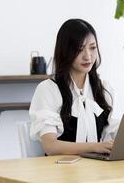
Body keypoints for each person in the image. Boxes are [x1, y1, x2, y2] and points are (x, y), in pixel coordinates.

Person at [29, 18, 117, 156]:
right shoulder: (48, 89)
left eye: (93, 48)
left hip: (97, 171)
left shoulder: (104, 88)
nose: (88, 56)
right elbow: (51, 146)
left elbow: (113, 135)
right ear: (65, 51)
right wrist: (95, 147)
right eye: (79, 49)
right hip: (59, 172)